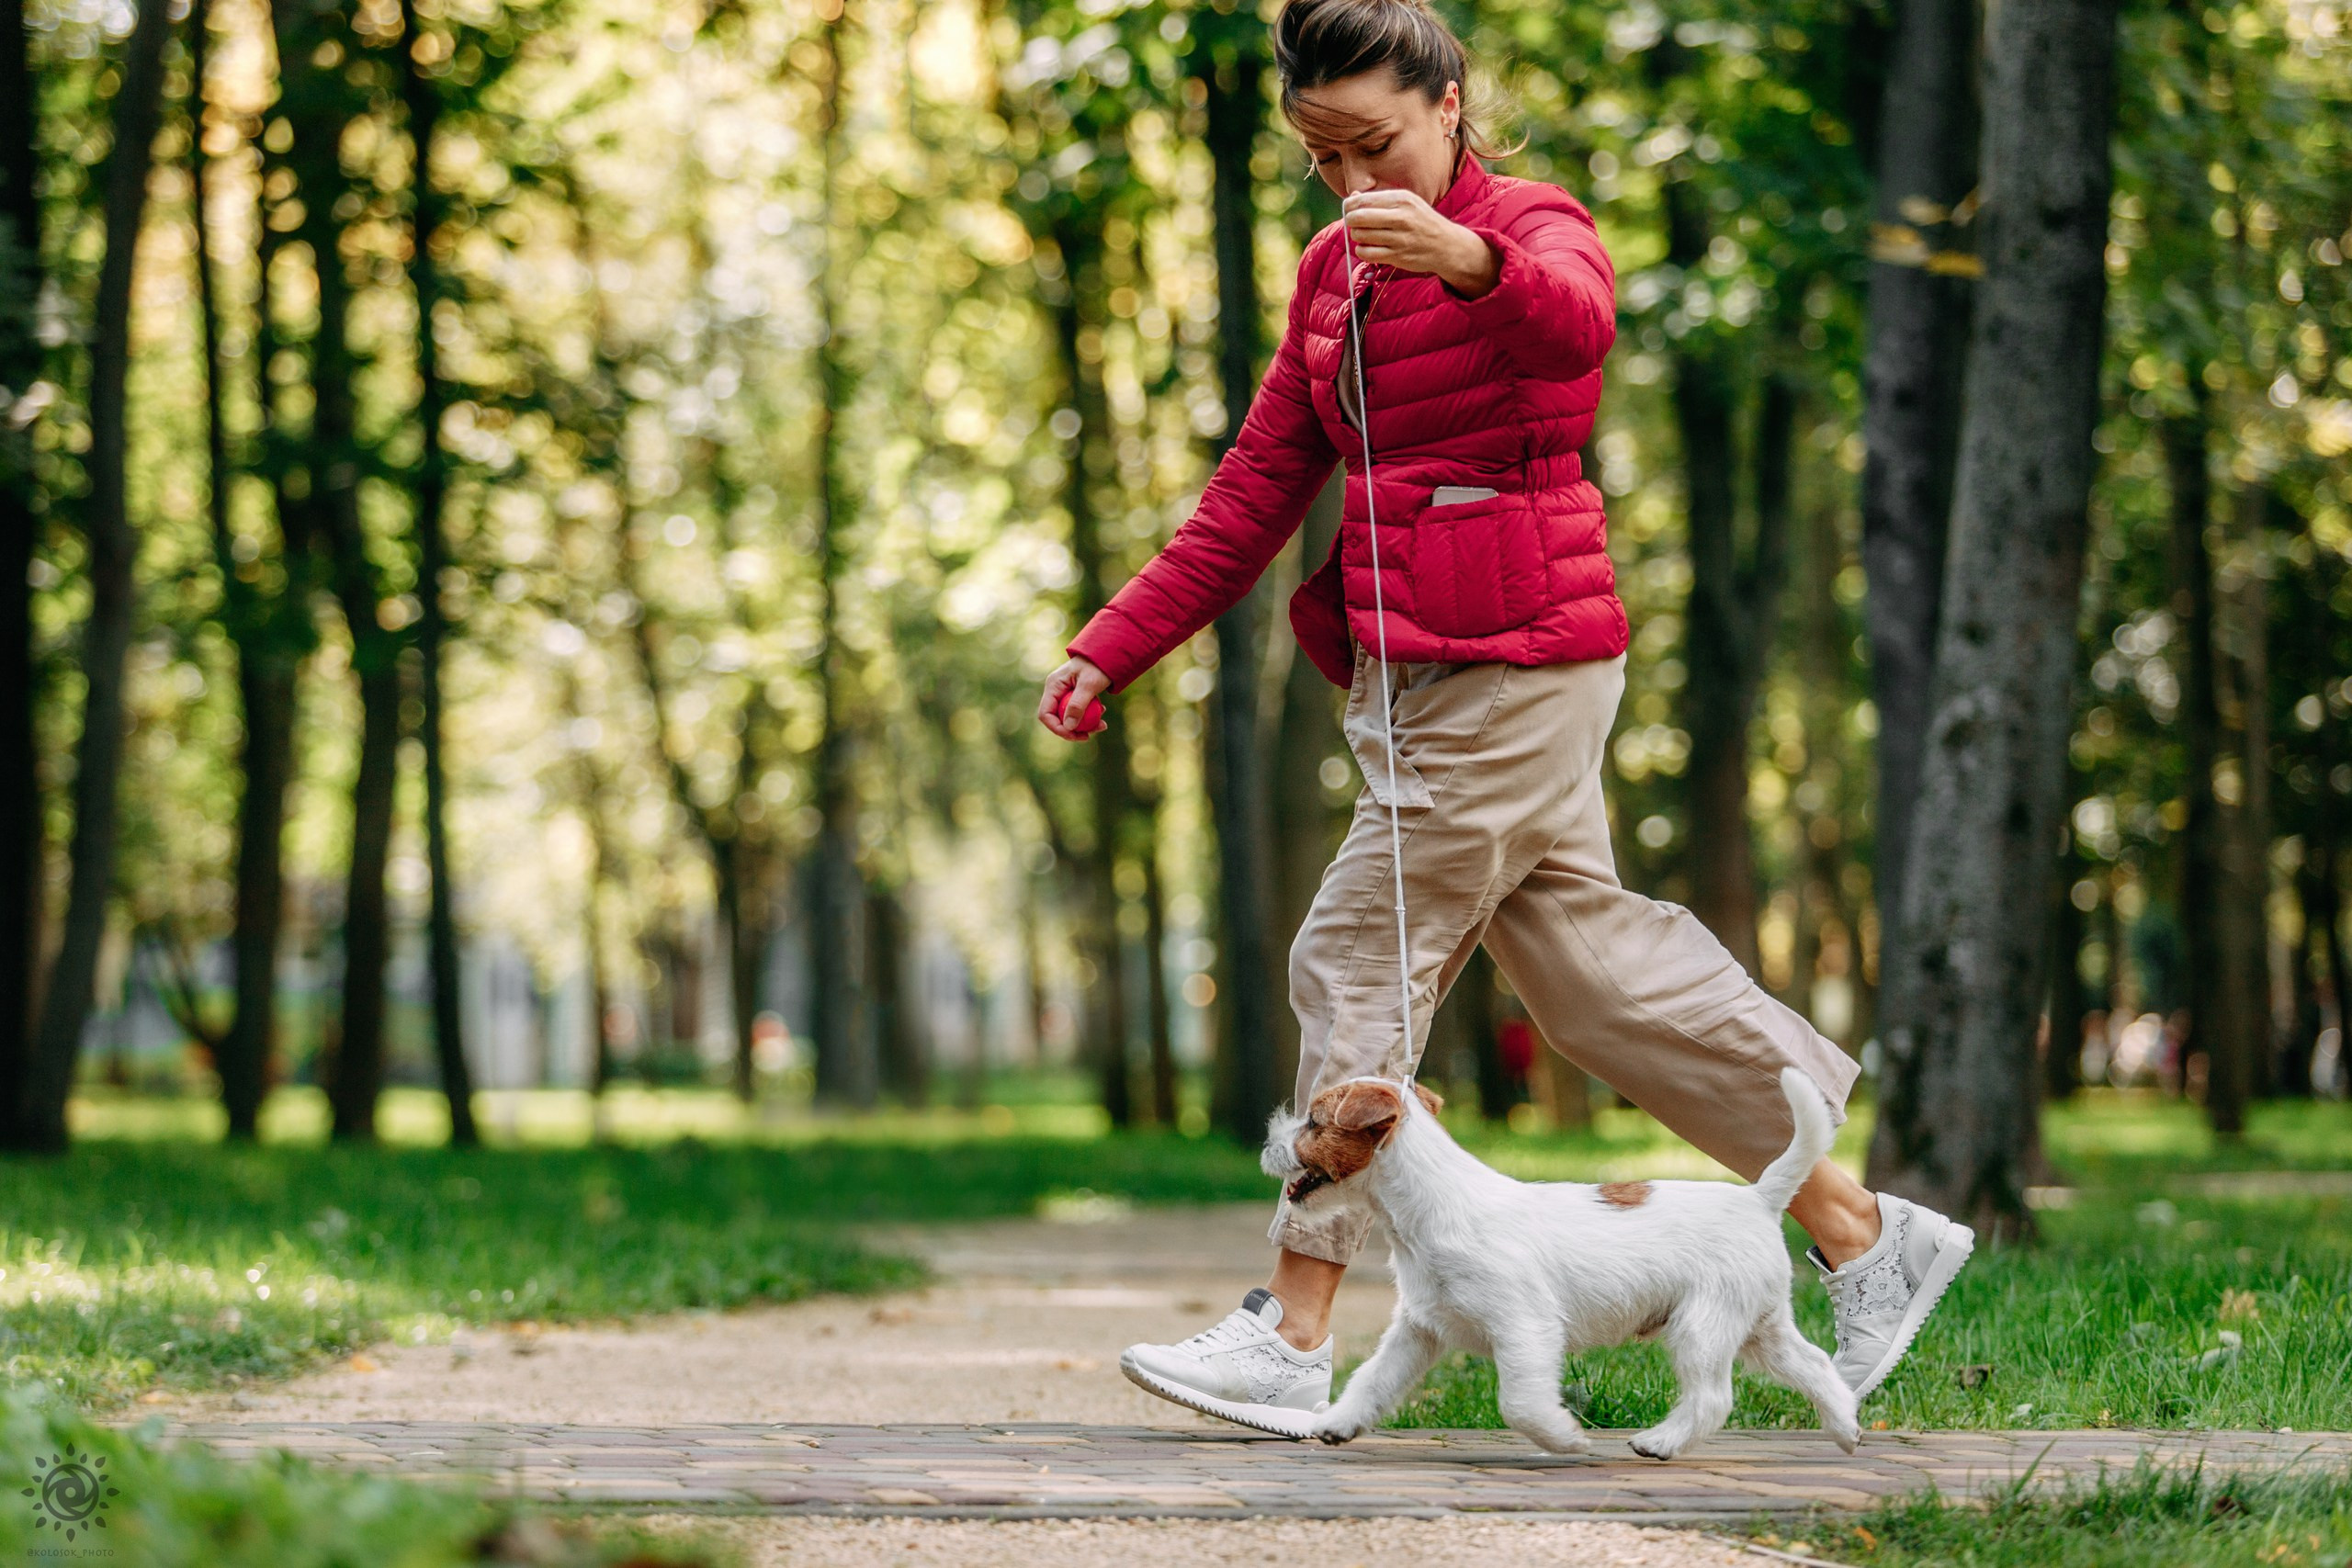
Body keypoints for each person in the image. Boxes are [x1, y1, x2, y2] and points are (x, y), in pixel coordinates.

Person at [1035, 0, 1973, 1427]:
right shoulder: (1328, 282)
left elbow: (1576, 329)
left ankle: (1292, 1328)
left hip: (1512, 662)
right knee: (1596, 987)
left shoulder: (1534, 224)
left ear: (1451, 103)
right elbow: (1252, 493)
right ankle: (1863, 1233)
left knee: (1355, 953)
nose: (1355, 185)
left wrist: (1468, 260)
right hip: (1415, 679)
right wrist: (1116, 645)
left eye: (1377, 145)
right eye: (1323, 159)